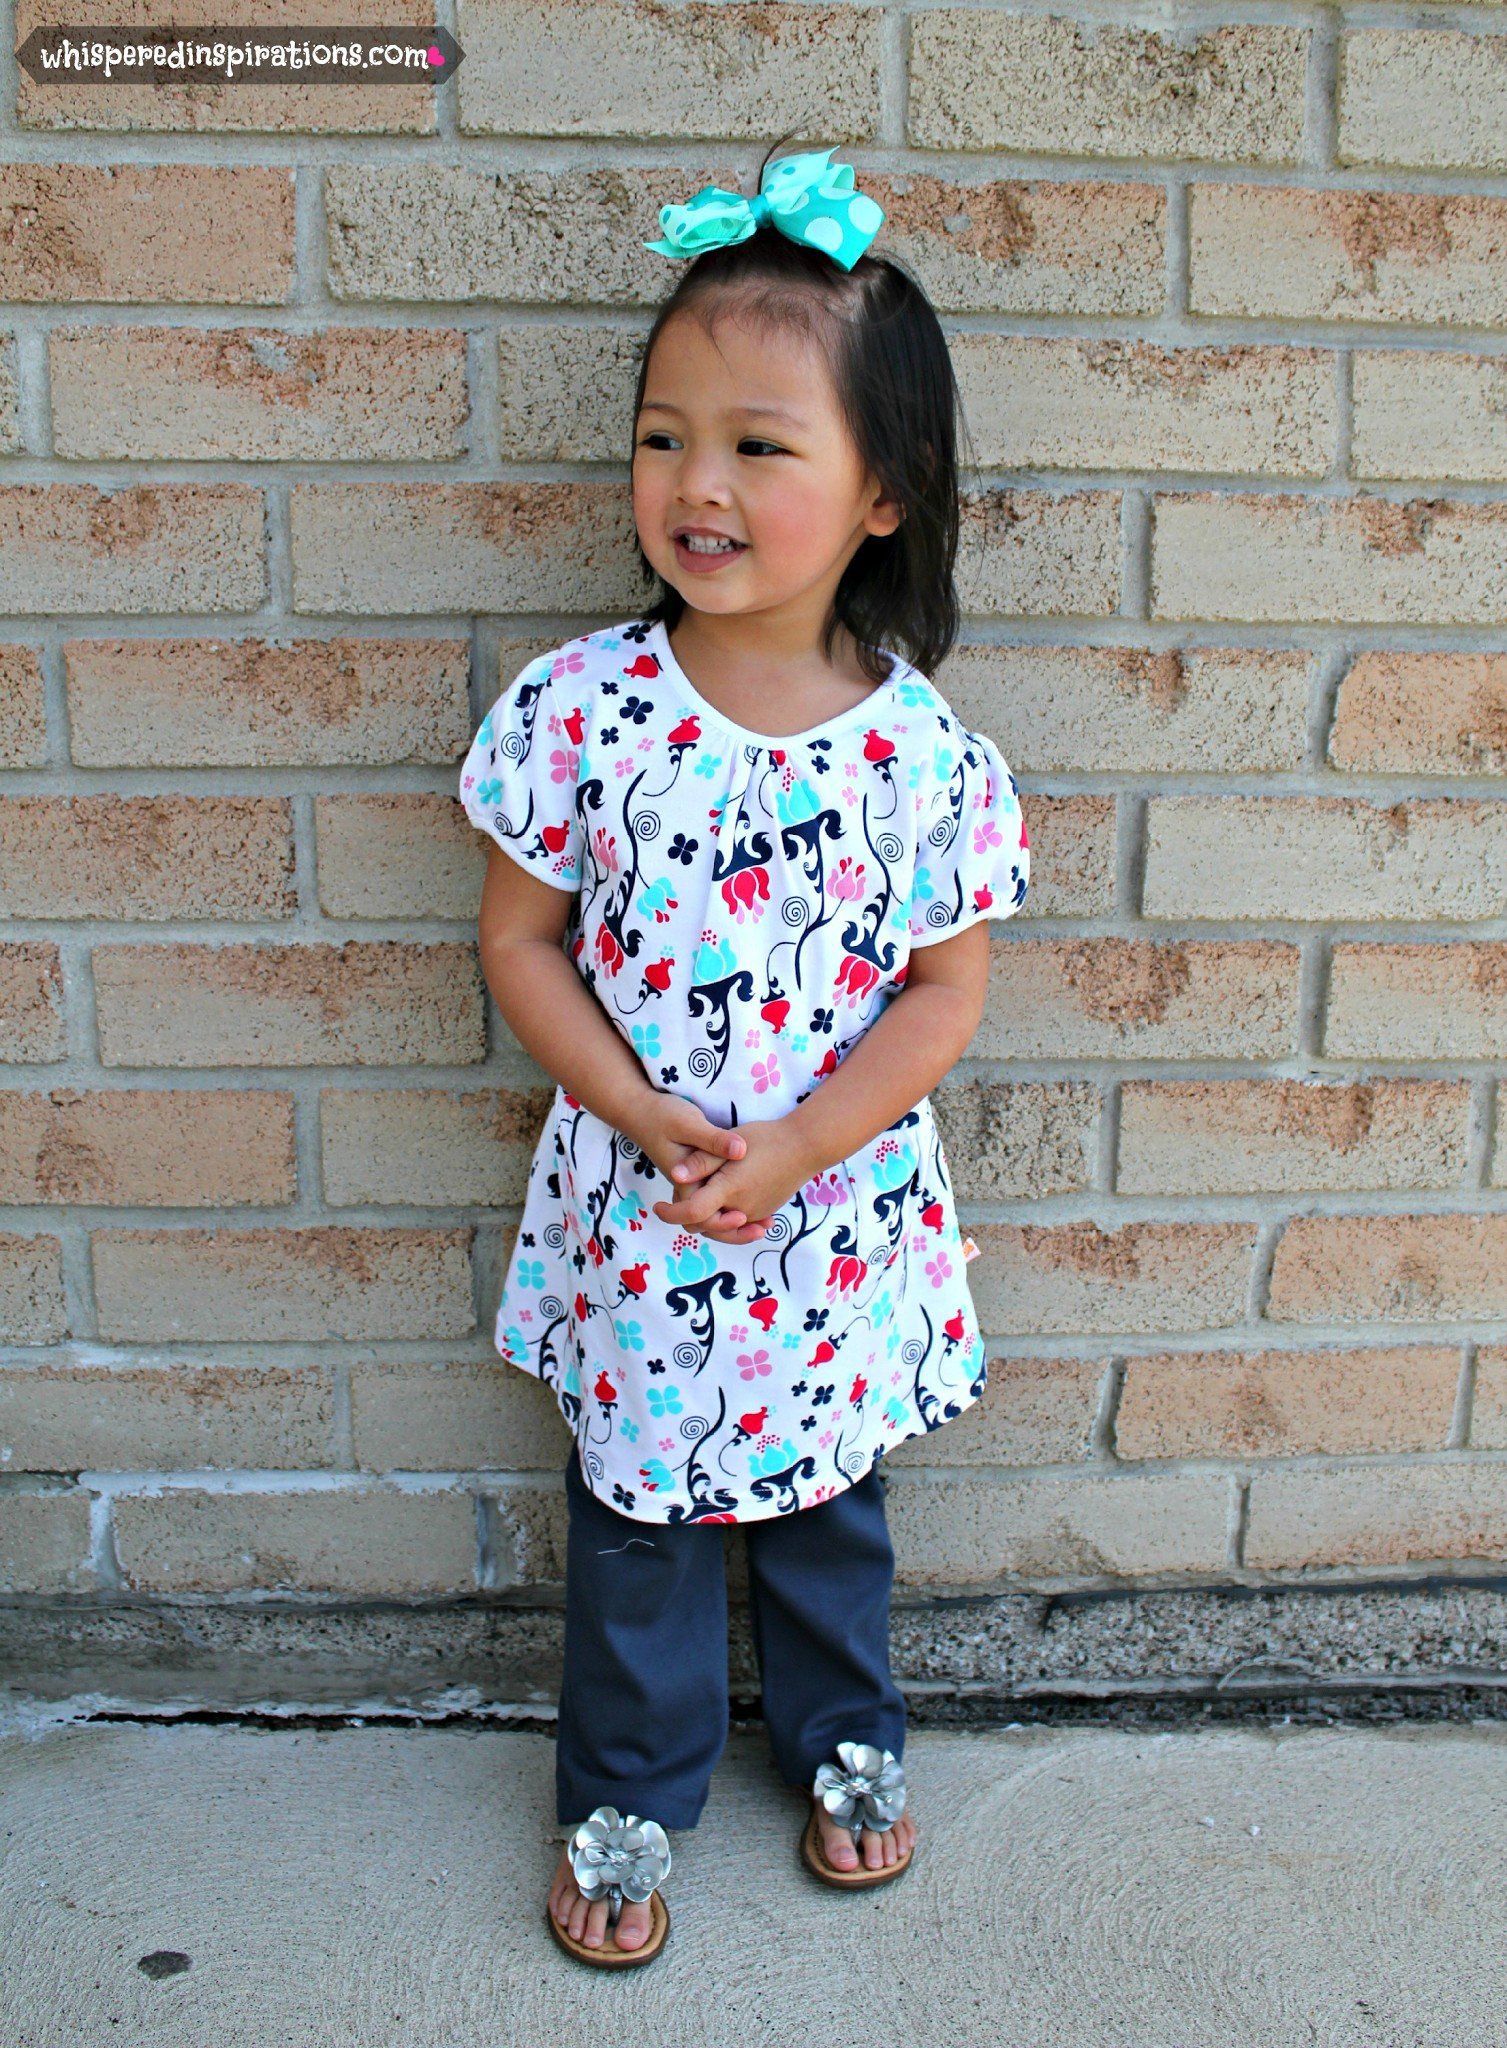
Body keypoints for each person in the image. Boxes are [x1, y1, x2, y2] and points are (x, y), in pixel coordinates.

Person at [458, 142, 1030, 1969]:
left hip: (829, 1214)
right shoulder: (578, 711)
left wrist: (796, 1147)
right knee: (635, 1518)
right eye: (661, 436)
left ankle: (849, 1737)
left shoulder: (921, 758)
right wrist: (638, 1110)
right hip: (644, 1204)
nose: (694, 484)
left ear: (884, 492)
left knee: (830, 1507)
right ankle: (625, 1785)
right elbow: (517, 941)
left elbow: (946, 994)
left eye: (758, 445)